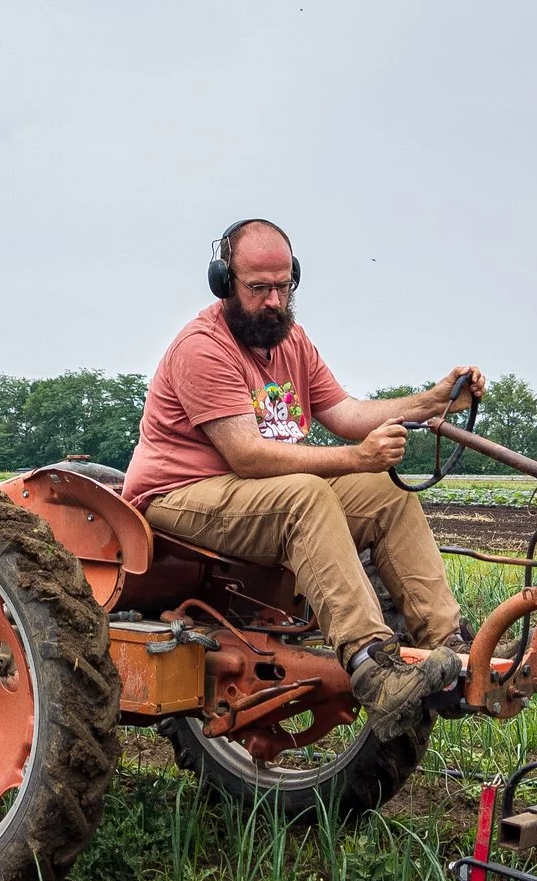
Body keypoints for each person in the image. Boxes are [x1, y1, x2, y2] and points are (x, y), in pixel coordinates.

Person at [122, 218, 482, 735]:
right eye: (258, 288)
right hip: (178, 493)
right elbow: (247, 455)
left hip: (256, 492)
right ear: (225, 283)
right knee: (305, 495)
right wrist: (356, 458)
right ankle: (372, 668)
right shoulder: (202, 348)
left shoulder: (293, 342)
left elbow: (346, 413)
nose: (273, 301)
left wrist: (433, 401)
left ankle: (446, 650)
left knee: (384, 492)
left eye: (284, 286)